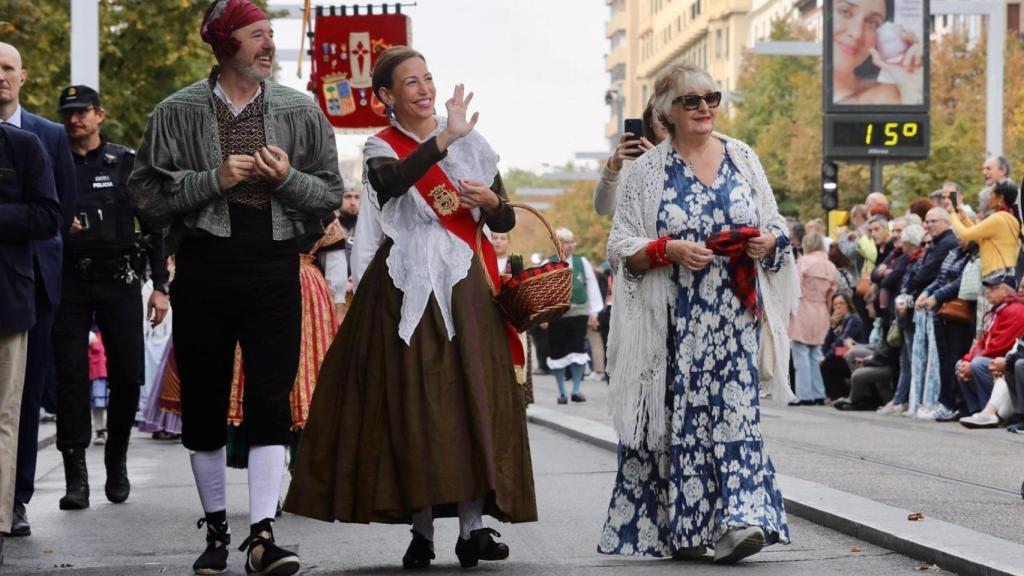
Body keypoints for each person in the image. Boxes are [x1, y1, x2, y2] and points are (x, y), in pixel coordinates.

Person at [283, 46, 536, 570]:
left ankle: (472, 529)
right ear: (386, 97)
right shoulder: (383, 144)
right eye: (411, 82)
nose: (424, 89)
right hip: (404, 286)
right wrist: (444, 140)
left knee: (472, 398)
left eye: (428, 79)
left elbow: (505, 221)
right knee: (414, 403)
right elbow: (389, 183)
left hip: (466, 283)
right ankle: (421, 530)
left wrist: (492, 205)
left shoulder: (475, 144)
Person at [127, 1, 343, 574]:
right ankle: (218, 530)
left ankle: (263, 535)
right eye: (256, 35)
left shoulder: (300, 109)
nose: (268, 45)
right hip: (202, 266)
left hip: (276, 265)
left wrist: (286, 179)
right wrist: (211, 181)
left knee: (270, 399)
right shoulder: (175, 111)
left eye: (271, 35)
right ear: (225, 44)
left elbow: (329, 196)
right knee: (204, 398)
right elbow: (145, 197)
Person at [600, 62, 797, 563]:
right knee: (680, 425)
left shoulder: (743, 157)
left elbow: (776, 225)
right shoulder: (646, 172)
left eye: (712, 97)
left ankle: (742, 519)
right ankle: (687, 529)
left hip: (734, 318)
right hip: (672, 324)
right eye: (692, 100)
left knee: (737, 420)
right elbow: (620, 245)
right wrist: (668, 249)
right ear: (666, 110)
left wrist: (769, 241)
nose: (705, 107)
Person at [52, 84, 170, 512]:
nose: (74, 119)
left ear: (100, 115)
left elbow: (154, 225)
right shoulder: (53, 161)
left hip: (119, 280)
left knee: (126, 375)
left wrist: (160, 285)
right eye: (68, 113)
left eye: (82, 112)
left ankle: (116, 460)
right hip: (69, 282)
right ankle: (75, 475)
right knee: (70, 377)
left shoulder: (123, 162)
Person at [0, 41, 77, 539]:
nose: (0, 76)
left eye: (7, 68)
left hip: (30, 285)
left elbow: (59, 209)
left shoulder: (45, 136)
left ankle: (17, 498)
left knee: (22, 401)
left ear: (23, 76)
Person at [0, 122, 60, 564]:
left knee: (5, 416)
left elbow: (47, 216)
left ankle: (1, 518)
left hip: (6, 300)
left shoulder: (22, 144)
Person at [544, 228, 603, 404]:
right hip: (557, 316)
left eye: (571, 242)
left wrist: (594, 312)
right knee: (557, 353)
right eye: (565, 242)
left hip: (579, 313)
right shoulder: (549, 263)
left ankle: (576, 390)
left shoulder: (581, 262)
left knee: (578, 350)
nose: (569, 246)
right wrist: (543, 316)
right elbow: (544, 292)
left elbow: (591, 287)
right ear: (557, 243)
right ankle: (562, 392)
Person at [831, 0, 924, 105]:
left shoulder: (886, 99)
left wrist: (913, 93)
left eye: (872, 23)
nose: (857, 33)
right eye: (845, 12)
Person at [593, 98, 669, 216]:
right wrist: (612, 170)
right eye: (660, 114)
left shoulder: (695, 156)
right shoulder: (631, 158)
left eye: (672, 113)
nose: (667, 121)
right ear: (650, 121)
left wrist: (658, 165)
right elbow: (603, 209)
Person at [788, 231, 838, 406]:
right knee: (815, 354)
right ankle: (818, 393)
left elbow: (794, 287)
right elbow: (832, 293)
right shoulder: (830, 266)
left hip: (804, 308)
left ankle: (804, 394)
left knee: (800, 353)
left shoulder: (803, 262)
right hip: (821, 309)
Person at [320, 184, 360, 323]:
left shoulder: (367, 226)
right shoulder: (328, 224)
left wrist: (356, 276)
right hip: (333, 294)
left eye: (357, 197)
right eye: (348, 197)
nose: (353, 202)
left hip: (361, 291)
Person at [821, 293, 865, 401]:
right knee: (827, 359)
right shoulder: (839, 322)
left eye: (841, 303)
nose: (838, 307)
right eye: (835, 305)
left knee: (829, 362)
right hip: (842, 352)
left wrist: (826, 357)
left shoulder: (853, 319)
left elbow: (842, 343)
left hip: (854, 353)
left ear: (848, 305)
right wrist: (832, 326)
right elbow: (825, 344)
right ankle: (834, 395)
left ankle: (838, 395)